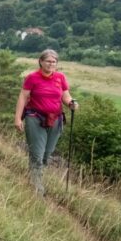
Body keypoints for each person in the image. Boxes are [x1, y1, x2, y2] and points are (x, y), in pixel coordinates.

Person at [15, 49, 78, 195]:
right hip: (34, 118)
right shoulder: (32, 78)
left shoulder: (60, 78)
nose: (51, 64)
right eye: (48, 61)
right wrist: (18, 118)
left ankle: (36, 176)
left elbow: (66, 96)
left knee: (46, 154)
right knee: (37, 153)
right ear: (41, 62)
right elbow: (23, 97)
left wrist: (71, 103)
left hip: (55, 119)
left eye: (54, 62)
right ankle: (37, 188)